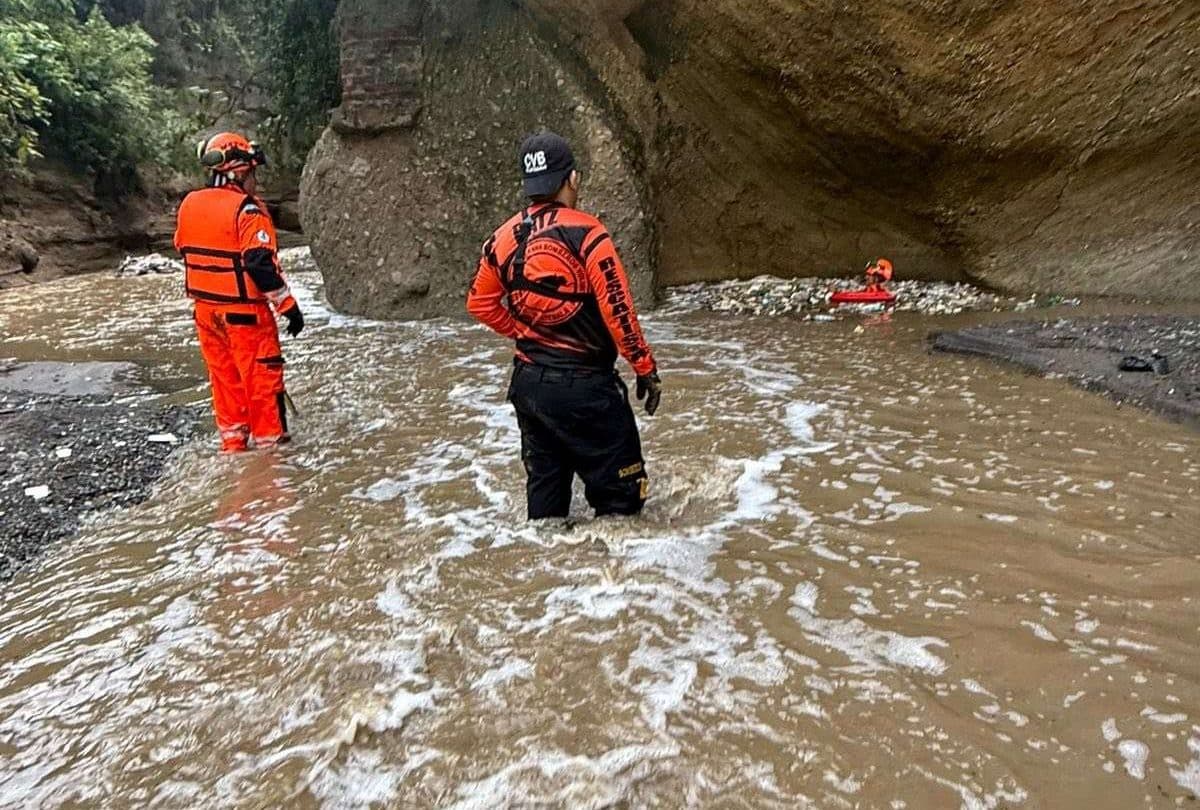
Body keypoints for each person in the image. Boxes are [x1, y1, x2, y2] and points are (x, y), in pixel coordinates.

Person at [467, 131, 662, 520]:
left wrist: (522, 330)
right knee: (623, 506)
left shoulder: (502, 238)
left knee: (546, 505)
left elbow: (479, 303)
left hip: (529, 385)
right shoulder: (589, 234)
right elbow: (618, 312)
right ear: (573, 179)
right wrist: (645, 367)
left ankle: (546, 574)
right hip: (587, 388)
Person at [174, 132, 305, 454]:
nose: (255, 182)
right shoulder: (247, 210)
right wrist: (288, 306)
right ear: (240, 172)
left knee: (225, 384)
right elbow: (259, 263)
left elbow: (183, 247)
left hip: (206, 314)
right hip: (246, 316)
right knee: (262, 385)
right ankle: (272, 463)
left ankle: (233, 450)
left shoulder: (189, 204)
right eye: (253, 175)